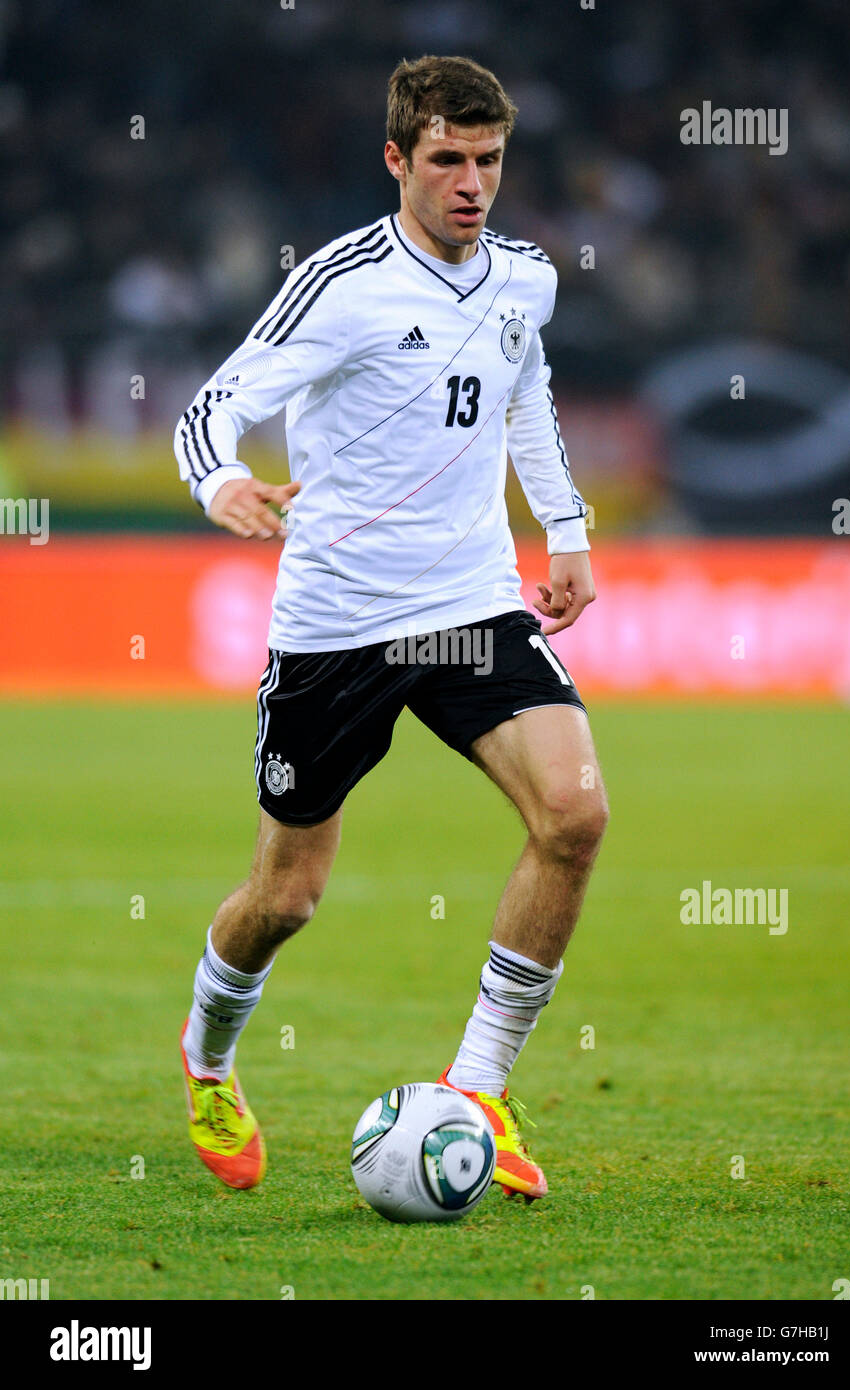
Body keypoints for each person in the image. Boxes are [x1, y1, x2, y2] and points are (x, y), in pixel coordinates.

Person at [173, 53, 608, 1201]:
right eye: (448, 161)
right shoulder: (342, 283)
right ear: (396, 162)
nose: (472, 184)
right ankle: (209, 1056)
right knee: (287, 896)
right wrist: (221, 482)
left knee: (574, 812)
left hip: (467, 603)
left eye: (490, 160)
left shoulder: (525, 279)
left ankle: (478, 1091)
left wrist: (563, 529)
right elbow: (214, 405)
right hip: (339, 622)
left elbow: (526, 394)